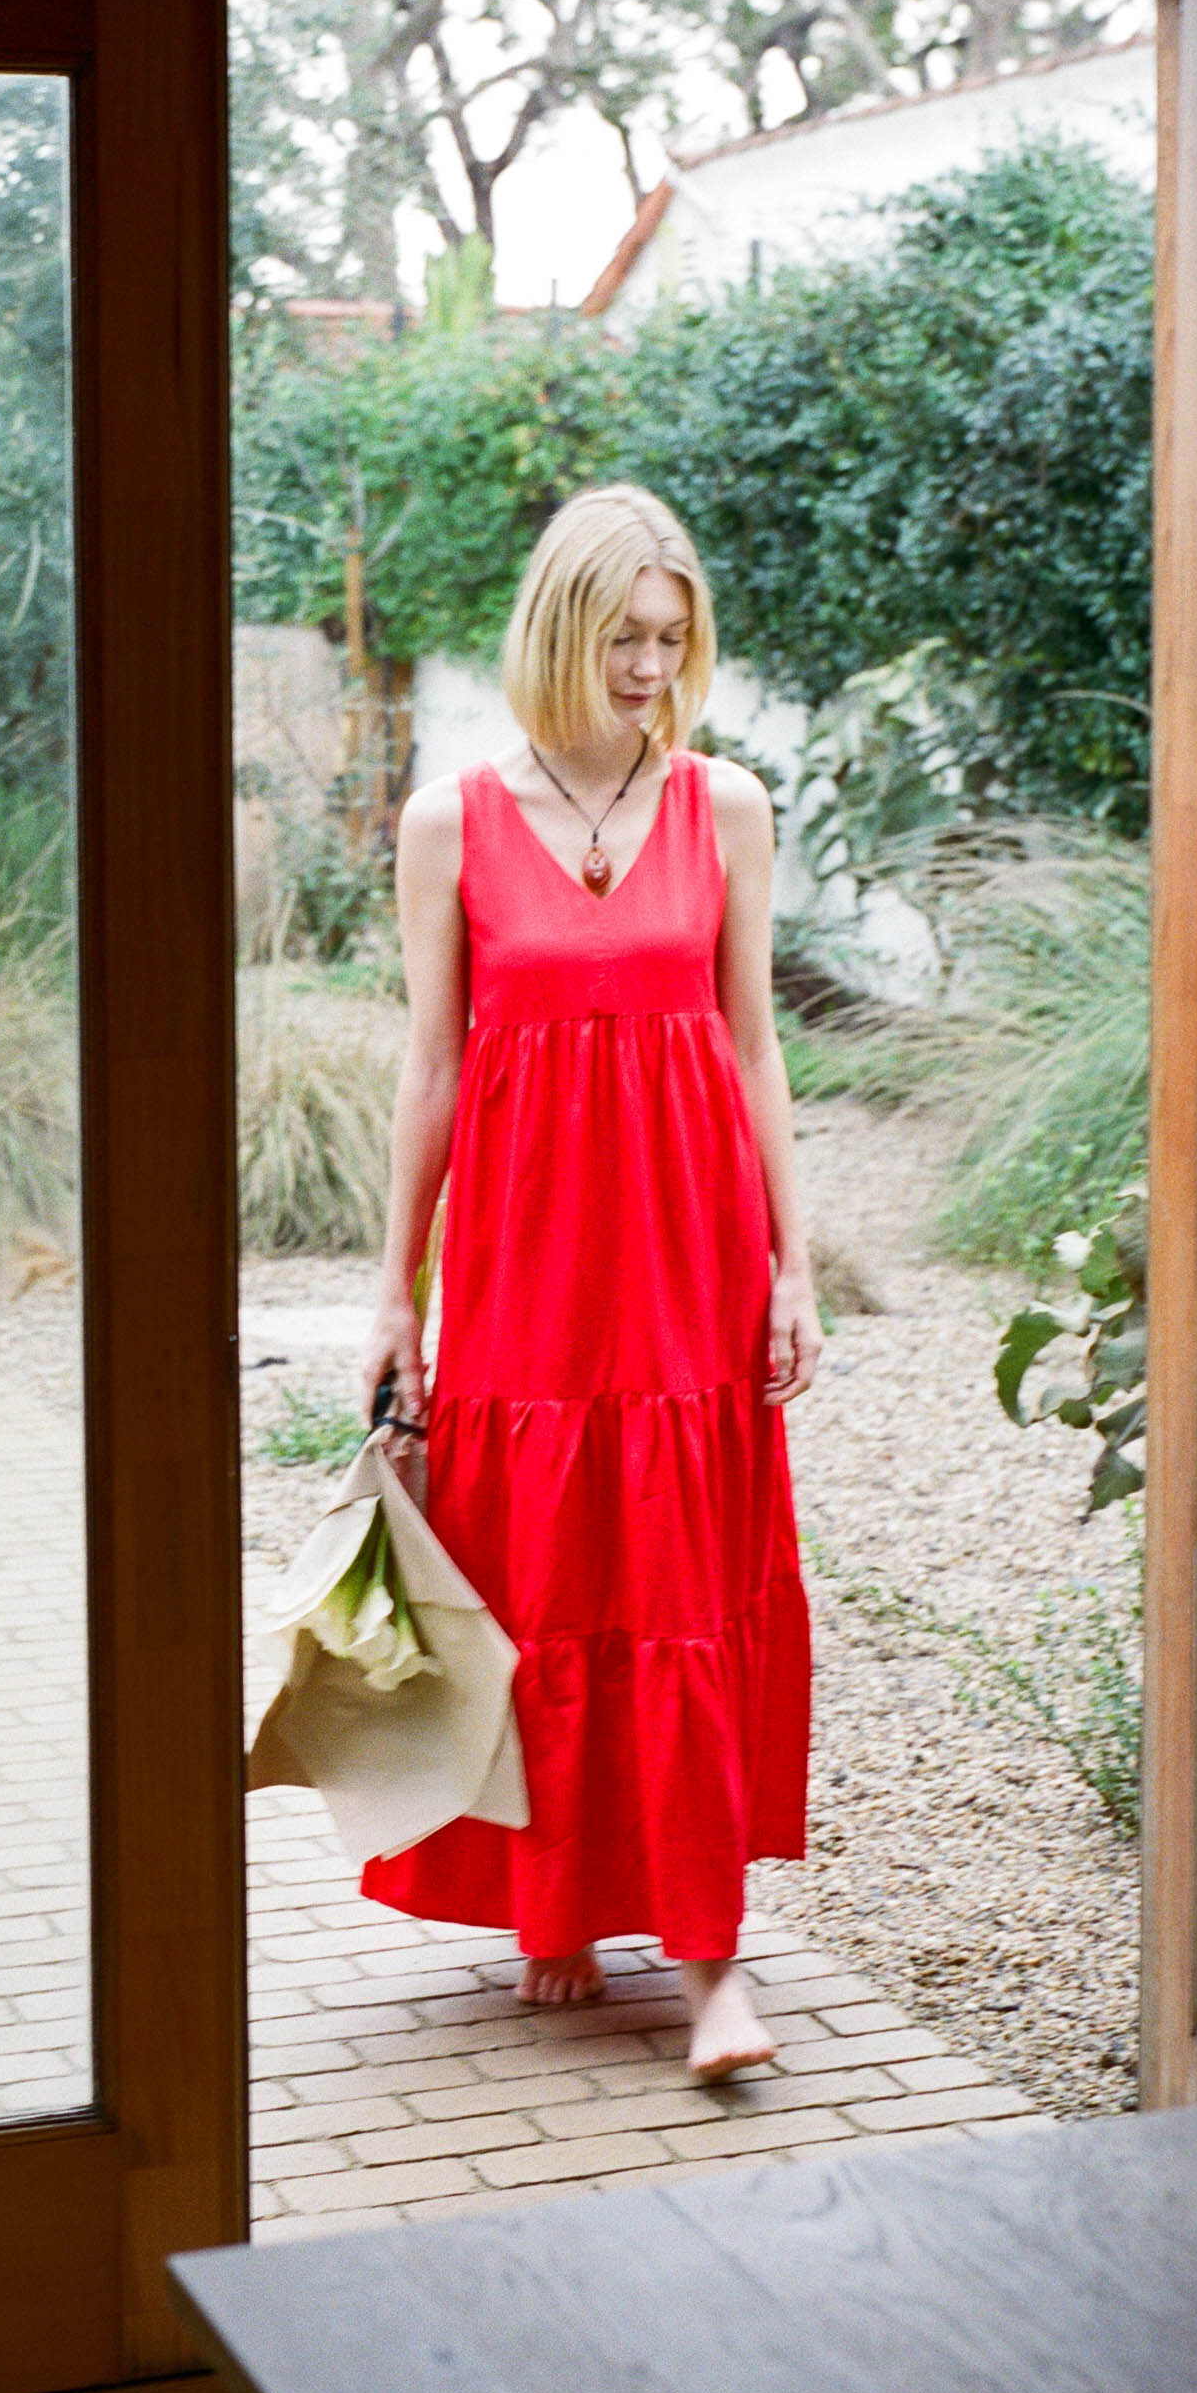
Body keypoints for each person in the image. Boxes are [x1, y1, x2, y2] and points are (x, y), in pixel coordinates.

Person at [358, 483, 817, 2082]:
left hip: (688, 1250)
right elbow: (430, 1070)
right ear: (559, 630)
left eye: (671, 638)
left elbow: (755, 1046)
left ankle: (708, 1969)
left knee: (685, 1586)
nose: (647, 666)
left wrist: (790, 1267)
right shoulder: (453, 819)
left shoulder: (727, 805)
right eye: (622, 635)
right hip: (529, 1258)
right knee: (543, 1569)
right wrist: (393, 1294)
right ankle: (552, 1900)